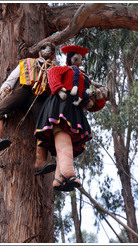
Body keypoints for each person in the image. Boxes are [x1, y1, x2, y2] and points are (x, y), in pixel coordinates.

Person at [34, 45, 110, 191]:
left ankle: (59, 178)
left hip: (74, 108)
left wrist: (99, 99)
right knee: (64, 139)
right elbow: (53, 74)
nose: (79, 61)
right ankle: (69, 173)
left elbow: (90, 103)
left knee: (63, 141)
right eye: (77, 58)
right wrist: (59, 89)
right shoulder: (64, 69)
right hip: (60, 106)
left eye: (81, 59)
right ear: (69, 58)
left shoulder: (84, 78)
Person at [0, 42, 57, 175]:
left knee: (43, 127)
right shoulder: (28, 62)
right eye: (44, 48)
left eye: (50, 50)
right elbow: (15, 75)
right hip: (22, 90)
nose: (47, 51)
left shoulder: (54, 69)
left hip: (39, 98)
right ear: (39, 52)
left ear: (53, 55)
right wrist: (6, 86)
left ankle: (40, 161)